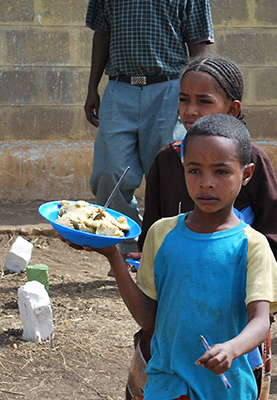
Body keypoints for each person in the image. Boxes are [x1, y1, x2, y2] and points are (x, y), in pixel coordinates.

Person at [62, 114, 277, 400]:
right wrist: (113, 257)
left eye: (221, 172)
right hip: (166, 386)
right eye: (194, 170)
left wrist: (232, 348)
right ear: (183, 170)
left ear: (246, 174)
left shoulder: (251, 244)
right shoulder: (162, 233)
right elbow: (148, 318)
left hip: (224, 388)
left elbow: (260, 321)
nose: (206, 183)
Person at [126, 56, 277, 400]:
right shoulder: (167, 161)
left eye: (204, 101)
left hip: (234, 316)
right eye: (184, 99)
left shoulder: (250, 162)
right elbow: (152, 229)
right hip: (174, 316)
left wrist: (235, 265)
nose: (191, 110)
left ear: (232, 108)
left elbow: (273, 237)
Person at [83, 0, 213, 255]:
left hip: (169, 87)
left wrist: (195, 95)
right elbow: (102, 34)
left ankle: (167, 248)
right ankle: (125, 247)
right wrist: (92, 88)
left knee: (170, 172)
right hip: (120, 87)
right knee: (109, 172)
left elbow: (198, 41)